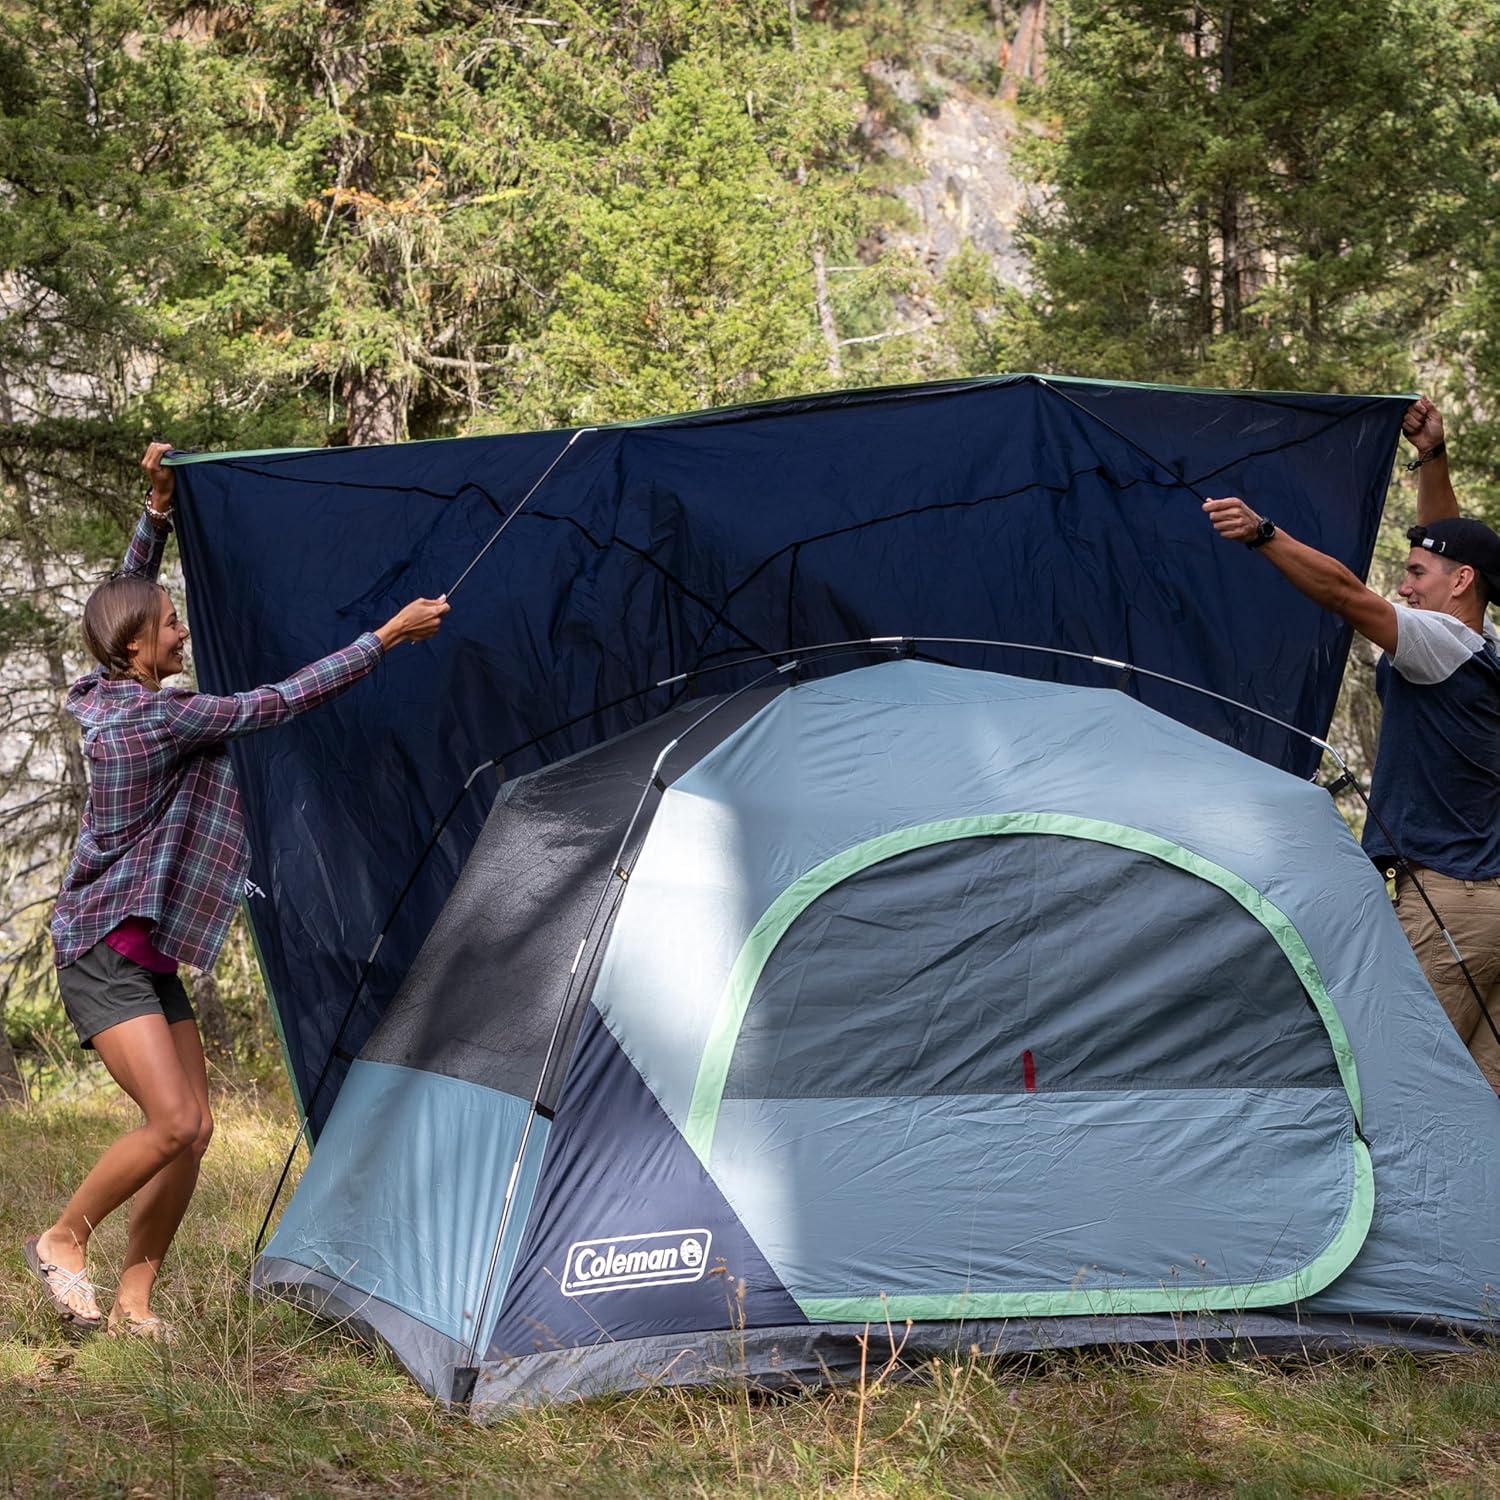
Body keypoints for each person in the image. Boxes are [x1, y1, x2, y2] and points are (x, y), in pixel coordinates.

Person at [24, 442, 450, 1337]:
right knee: (174, 1120)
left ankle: (134, 1302)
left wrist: (157, 513)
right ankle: (63, 1237)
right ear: (141, 648)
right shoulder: (157, 718)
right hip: (102, 953)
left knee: (198, 1127)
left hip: (145, 951)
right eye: (171, 625)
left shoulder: (106, 689)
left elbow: (120, 601)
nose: (183, 632)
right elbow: (279, 701)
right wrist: (384, 639)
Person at [1203, 397, 1500, 1096]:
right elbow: (1449, 542)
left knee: (1401, 1087)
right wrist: (1432, 456)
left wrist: (1262, 533)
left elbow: (1342, 593)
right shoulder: (1485, 645)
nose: (1403, 583)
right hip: (1489, 911)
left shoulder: (1440, 643)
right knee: (1481, 1106)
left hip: (1449, 912)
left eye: (1415, 575)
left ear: (1459, 586)